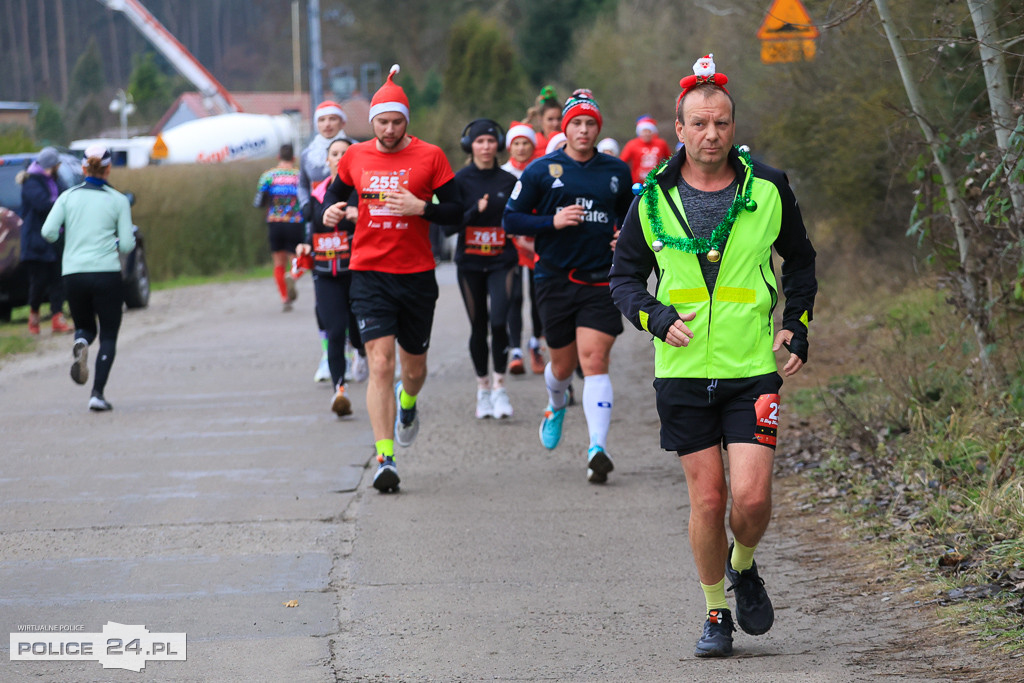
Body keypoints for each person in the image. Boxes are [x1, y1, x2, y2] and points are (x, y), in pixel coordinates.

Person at [609, 54, 818, 658]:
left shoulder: (768, 188)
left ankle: (743, 564)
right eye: (698, 123)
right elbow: (623, 278)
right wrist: (656, 317)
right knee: (708, 500)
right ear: (678, 128)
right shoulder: (651, 198)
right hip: (680, 372)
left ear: (733, 125)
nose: (711, 134)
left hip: (751, 367)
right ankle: (715, 612)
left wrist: (797, 325)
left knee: (751, 499)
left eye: (721, 123)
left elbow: (800, 260)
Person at [321, 65, 462, 492]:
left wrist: (422, 209)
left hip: (416, 275)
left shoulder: (430, 156)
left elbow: (457, 212)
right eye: (381, 122)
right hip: (369, 272)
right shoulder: (355, 156)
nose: (388, 129)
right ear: (372, 122)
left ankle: (408, 401)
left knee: (413, 369)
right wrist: (329, 211)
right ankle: (385, 458)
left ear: (406, 121)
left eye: (396, 122)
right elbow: (334, 194)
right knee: (380, 362)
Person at [503, 88, 633, 484]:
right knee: (561, 366)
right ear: (566, 128)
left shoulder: (616, 171)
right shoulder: (541, 170)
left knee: (594, 360)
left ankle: (597, 449)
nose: (584, 130)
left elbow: (630, 218)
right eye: (576, 123)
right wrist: (552, 222)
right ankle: (555, 403)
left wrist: (623, 237)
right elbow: (511, 219)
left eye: (590, 123)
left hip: (600, 280)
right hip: (555, 279)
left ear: (598, 129)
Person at [40, 145, 135, 412]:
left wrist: (67, 245)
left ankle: (80, 342)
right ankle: (97, 394)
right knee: (108, 335)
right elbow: (128, 245)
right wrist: (113, 241)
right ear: (108, 168)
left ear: (83, 168)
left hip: (74, 273)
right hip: (106, 274)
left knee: (85, 327)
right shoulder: (118, 200)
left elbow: (48, 231)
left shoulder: (67, 197)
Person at [449, 119, 519, 419]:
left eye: (491, 141)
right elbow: (448, 226)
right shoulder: (459, 180)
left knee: (499, 322)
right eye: (480, 141)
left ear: (498, 145)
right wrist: (472, 211)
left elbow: (519, 218)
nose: (486, 147)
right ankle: (483, 390)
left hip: (502, 260)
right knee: (479, 326)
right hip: (470, 263)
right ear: (470, 146)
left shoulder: (509, 181)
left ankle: (500, 387)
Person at [296, 136, 364, 417]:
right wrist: (305, 247)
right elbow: (312, 231)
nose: (339, 158)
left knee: (358, 331)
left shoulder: (362, 192)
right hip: (326, 273)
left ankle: (362, 353)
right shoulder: (317, 195)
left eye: (345, 153)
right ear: (327, 160)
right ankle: (340, 390)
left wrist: (360, 217)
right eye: (334, 154)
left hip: (357, 272)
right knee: (335, 331)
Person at [299, 101, 349, 383]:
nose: (327, 124)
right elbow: (302, 185)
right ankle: (328, 354)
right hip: (319, 225)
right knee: (324, 305)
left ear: (342, 122)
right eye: (322, 120)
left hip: (349, 226)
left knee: (353, 304)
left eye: (333, 119)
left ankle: (355, 350)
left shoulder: (355, 149)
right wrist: (305, 206)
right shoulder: (308, 154)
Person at [500, 121, 545, 375]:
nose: (520, 148)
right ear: (509, 147)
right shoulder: (503, 173)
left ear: (532, 146)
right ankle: (515, 349)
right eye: (516, 143)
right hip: (511, 243)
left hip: (537, 240)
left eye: (525, 143)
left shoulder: (540, 170)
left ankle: (536, 343)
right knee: (514, 296)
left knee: (538, 295)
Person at [19, 146, 72, 335]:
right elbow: (42, 205)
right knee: (39, 282)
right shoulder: (31, 182)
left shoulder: (57, 180)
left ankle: (57, 317)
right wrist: (61, 206)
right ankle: (34, 315)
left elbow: (67, 196)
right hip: (36, 241)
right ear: (51, 165)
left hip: (55, 238)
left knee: (58, 279)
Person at [253, 144, 304, 311]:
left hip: (275, 222)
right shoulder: (299, 176)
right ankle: (293, 276)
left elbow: (259, 202)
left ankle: (284, 298)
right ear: (293, 158)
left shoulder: (268, 176)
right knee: (297, 260)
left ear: (278, 157)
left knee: (278, 262)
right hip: (295, 221)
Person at [620, 114, 673, 183]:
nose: (647, 134)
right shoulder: (632, 144)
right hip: (637, 183)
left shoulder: (661, 143)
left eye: (649, 131)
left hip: (656, 182)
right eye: (644, 131)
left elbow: (670, 160)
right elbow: (622, 162)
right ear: (639, 132)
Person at [526, 86, 563, 160]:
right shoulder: (532, 143)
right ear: (540, 119)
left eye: (559, 119)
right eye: (550, 119)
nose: (555, 124)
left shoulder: (569, 143)